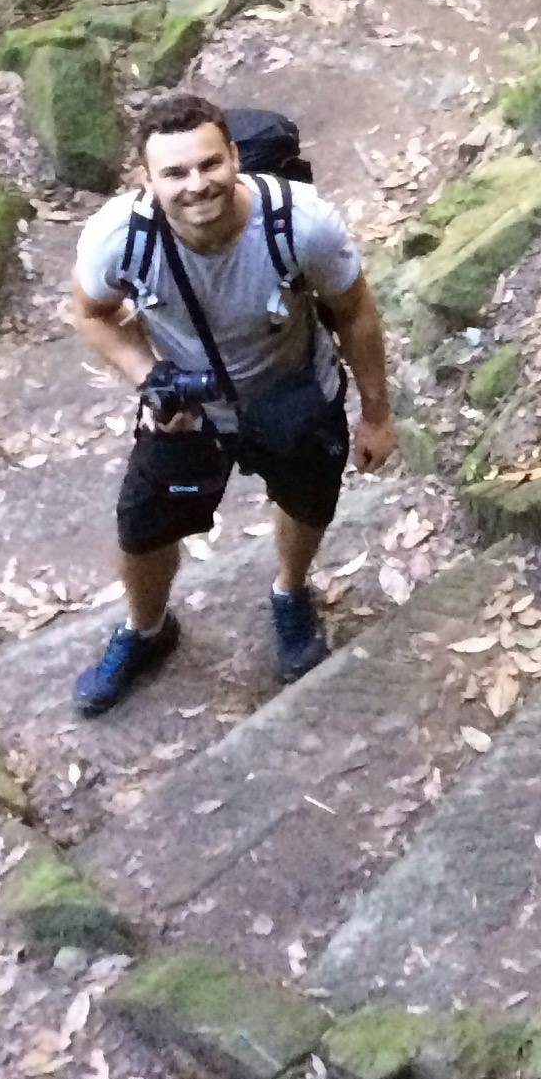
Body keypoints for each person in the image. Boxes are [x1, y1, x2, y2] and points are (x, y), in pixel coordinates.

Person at [62, 90, 396, 714]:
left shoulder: (300, 224)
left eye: (210, 164)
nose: (197, 185)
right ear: (147, 179)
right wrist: (148, 375)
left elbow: (355, 311)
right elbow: (90, 314)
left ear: (235, 156)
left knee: (306, 501)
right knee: (143, 528)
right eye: (175, 173)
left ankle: (290, 591)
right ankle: (146, 628)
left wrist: (376, 412)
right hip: (185, 411)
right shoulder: (120, 238)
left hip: (293, 393)